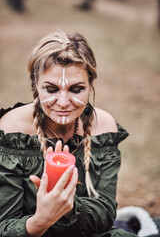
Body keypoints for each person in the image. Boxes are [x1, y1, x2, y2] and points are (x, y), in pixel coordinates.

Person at [0, 30, 137, 237]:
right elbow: (4, 227)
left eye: (76, 89)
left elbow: (105, 216)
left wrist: (68, 205)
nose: (63, 103)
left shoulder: (104, 127)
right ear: (36, 84)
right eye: (51, 89)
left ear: (90, 84)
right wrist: (40, 221)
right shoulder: (11, 130)